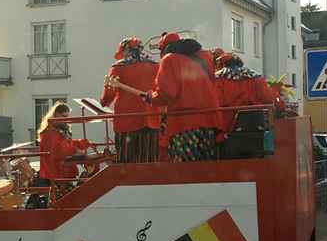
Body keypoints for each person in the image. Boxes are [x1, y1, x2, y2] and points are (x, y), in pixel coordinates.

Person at [142, 32, 222, 162]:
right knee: (205, 169)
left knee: (184, 170)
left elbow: (166, 94)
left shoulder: (170, 59)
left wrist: (151, 97)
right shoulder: (201, 58)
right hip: (209, 122)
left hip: (184, 124)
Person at [100, 37, 161, 163]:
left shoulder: (118, 67)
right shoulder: (155, 65)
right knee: (149, 160)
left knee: (127, 162)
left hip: (126, 122)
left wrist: (103, 101)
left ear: (124, 51)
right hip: (151, 119)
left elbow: (106, 99)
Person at [213, 52, 275, 133]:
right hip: (256, 122)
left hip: (229, 125)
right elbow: (268, 98)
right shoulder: (255, 76)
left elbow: (216, 101)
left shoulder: (218, 78)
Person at [37, 103, 91, 196]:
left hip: (62, 173)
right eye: (64, 116)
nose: (66, 120)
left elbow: (67, 144)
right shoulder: (50, 133)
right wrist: (75, 150)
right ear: (56, 115)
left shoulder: (59, 131)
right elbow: (58, 152)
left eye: (67, 116)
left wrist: (82, 143)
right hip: (56, 174)